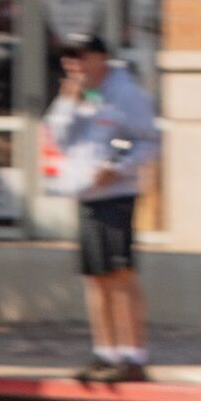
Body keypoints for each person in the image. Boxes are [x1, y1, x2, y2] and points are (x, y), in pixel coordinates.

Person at [40, 32, 160, 383]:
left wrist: (119, 166)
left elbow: (148, 140)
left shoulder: (125, 94)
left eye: (80, 57)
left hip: (116, 194)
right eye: (68, 59)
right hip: (87, 194)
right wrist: (67, 102)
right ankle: (104, 352)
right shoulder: (78, 96)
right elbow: (57, 138)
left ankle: (134, 356)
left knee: (121, 276)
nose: (74, 66)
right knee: (96, 279)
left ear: (100, 58)